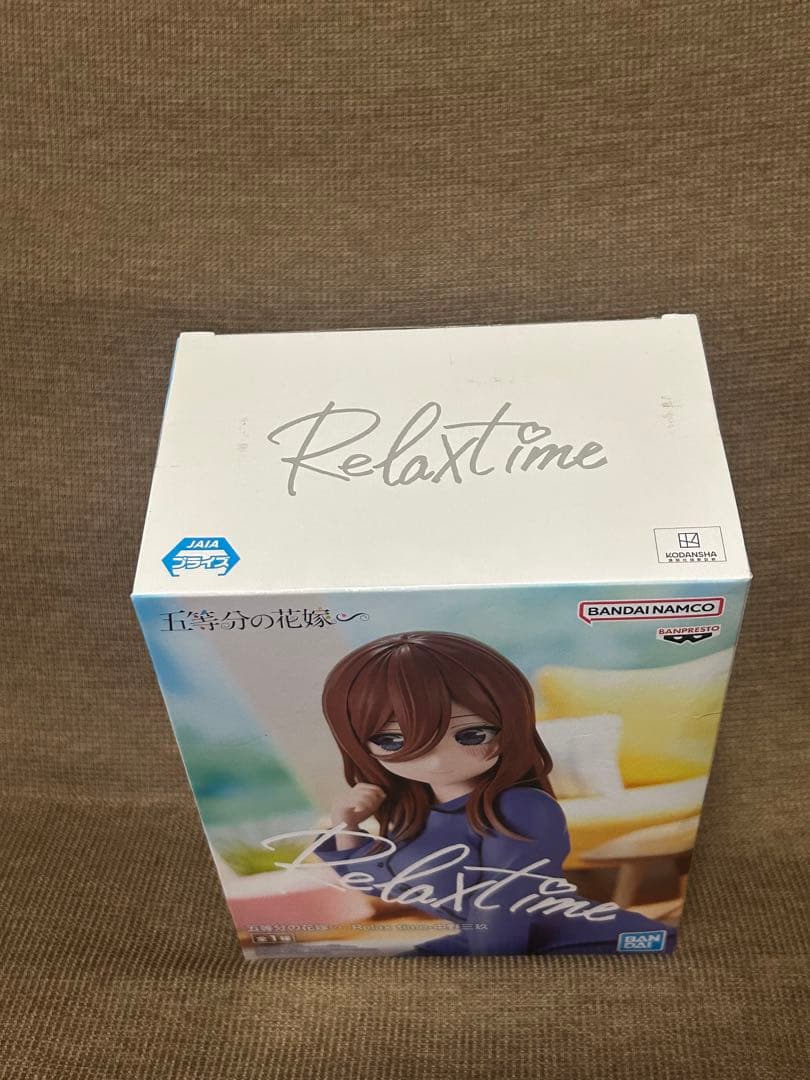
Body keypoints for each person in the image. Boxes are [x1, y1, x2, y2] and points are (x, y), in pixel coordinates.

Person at [316, 630, 675, 955]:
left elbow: (503, 908)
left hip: (574, 944)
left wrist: (488, 979)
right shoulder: (417, 810)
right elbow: (379, 881)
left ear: (510, 726)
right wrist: (346, 823)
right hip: (481, 941)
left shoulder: (519, 808)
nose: (437, 761)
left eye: (471, 735)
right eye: (392, 740)